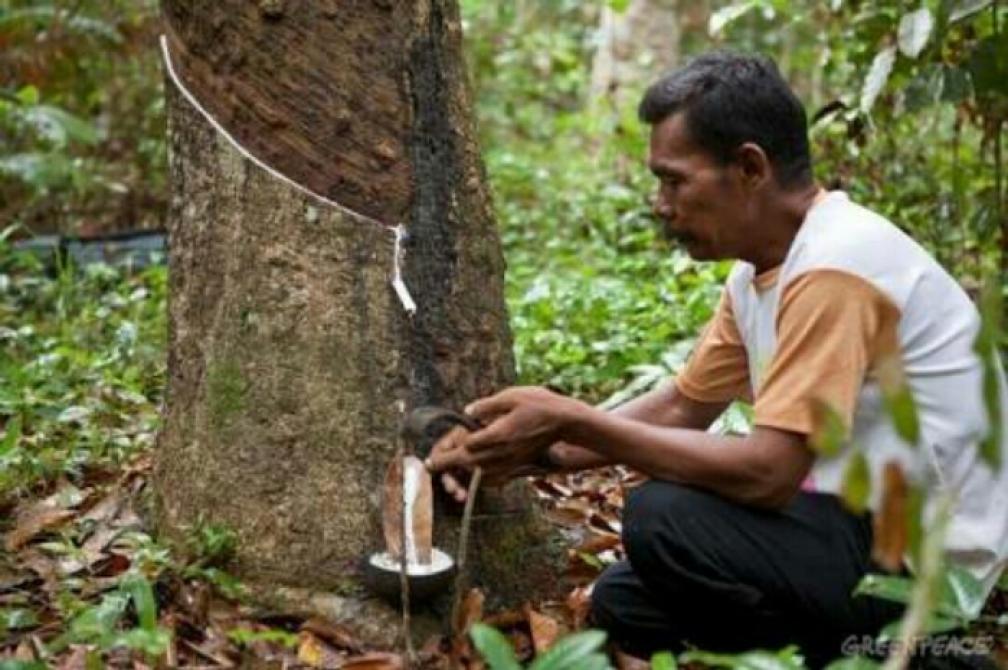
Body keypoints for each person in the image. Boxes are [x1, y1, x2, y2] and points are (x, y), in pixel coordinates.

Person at [425, 51, 1008, 667]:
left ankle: (921, 652)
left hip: (922, 565)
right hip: (851, 529)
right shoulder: (763, 269)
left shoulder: (838, 266)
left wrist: (571, 418)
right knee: (626, 600)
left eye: (674, 180)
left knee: (661, 518)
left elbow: (769, 472)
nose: (661, 203)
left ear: (750, 167)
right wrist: (538, 452)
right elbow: (683, 404)